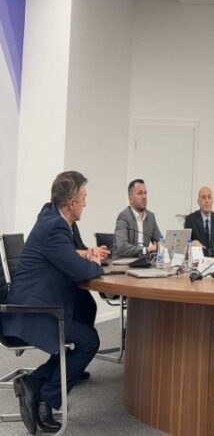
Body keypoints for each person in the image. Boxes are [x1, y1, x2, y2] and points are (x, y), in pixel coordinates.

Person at [4, 171, 104, 434]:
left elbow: (63, 256)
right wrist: (96, 263)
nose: (85, 203)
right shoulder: (56, 226)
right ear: (71, 202)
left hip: (36, 303)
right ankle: (47, 397)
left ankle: (34, 382)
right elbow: (80, 272)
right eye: (83, 198)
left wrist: (82, 254)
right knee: (89, 341)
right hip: (33, 311)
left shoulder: (51, 217)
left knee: (86, 309)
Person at [113, 179, 162, 257]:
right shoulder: (123, 216)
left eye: (145, 193)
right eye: (140, 193)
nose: (144, 197)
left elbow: (160, 241)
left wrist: (161, 245)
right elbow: (123, 248)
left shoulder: (150, 217)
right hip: (123, 261)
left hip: (143, 260)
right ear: (131, 199)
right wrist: (147, 250)